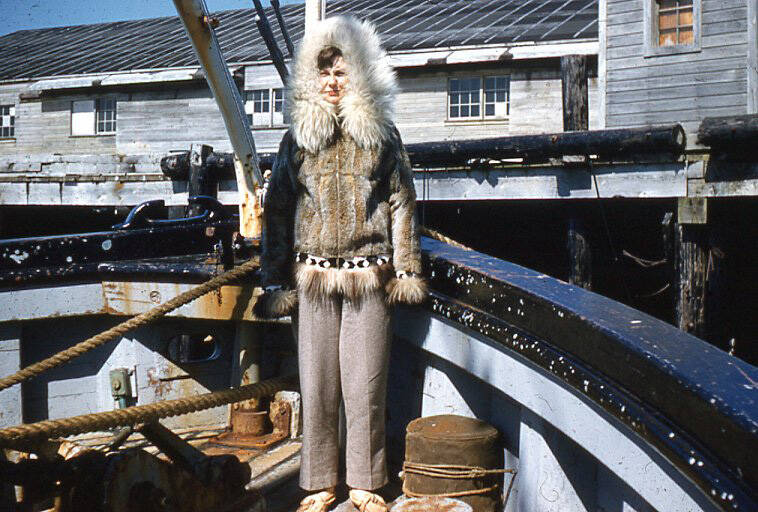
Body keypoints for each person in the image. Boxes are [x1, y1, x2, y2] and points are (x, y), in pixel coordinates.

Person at [258, 15, 426, 512]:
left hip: (369, 276)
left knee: (365, 385)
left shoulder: (383, 137)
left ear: (361, 75)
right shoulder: (297, 140)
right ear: (313, 78)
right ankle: (319, 482)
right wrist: (273, 280)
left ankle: (366, 482)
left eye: (342, 72)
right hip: (310, 280)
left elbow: (403, 203)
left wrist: (408, 269)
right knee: (318, 385)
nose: (333, 82)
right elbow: (278, 211)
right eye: (324, 72)